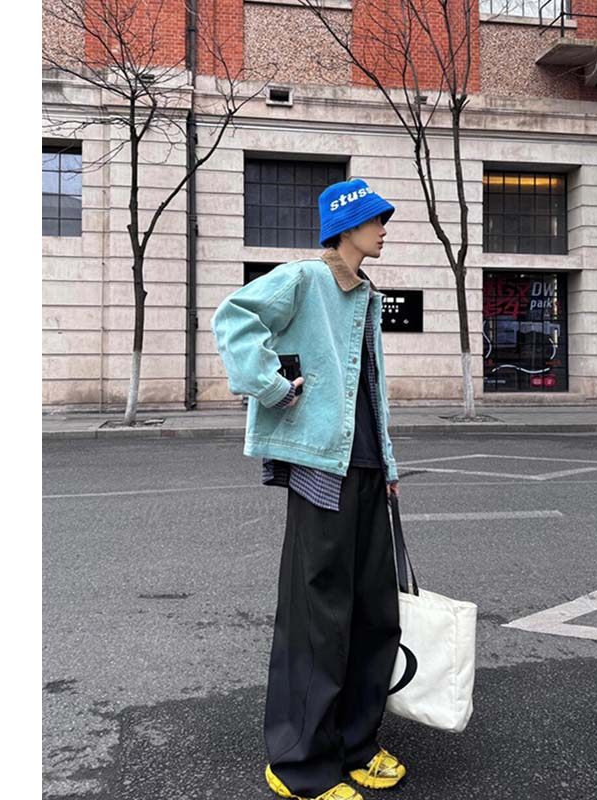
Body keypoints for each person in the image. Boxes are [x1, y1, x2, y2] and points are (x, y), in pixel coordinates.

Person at [211, 178, 406, 800]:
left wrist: (389, 465)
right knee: (319, 616)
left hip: (367, 469)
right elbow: (234, 317)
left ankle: (356, 744)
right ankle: (300, 764)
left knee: (375, 614)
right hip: (322, 467)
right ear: (347, 226)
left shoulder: (365, 293)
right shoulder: (305, 279)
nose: (384, 230)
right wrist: (272, 387)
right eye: (376, 219)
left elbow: (368, 390)